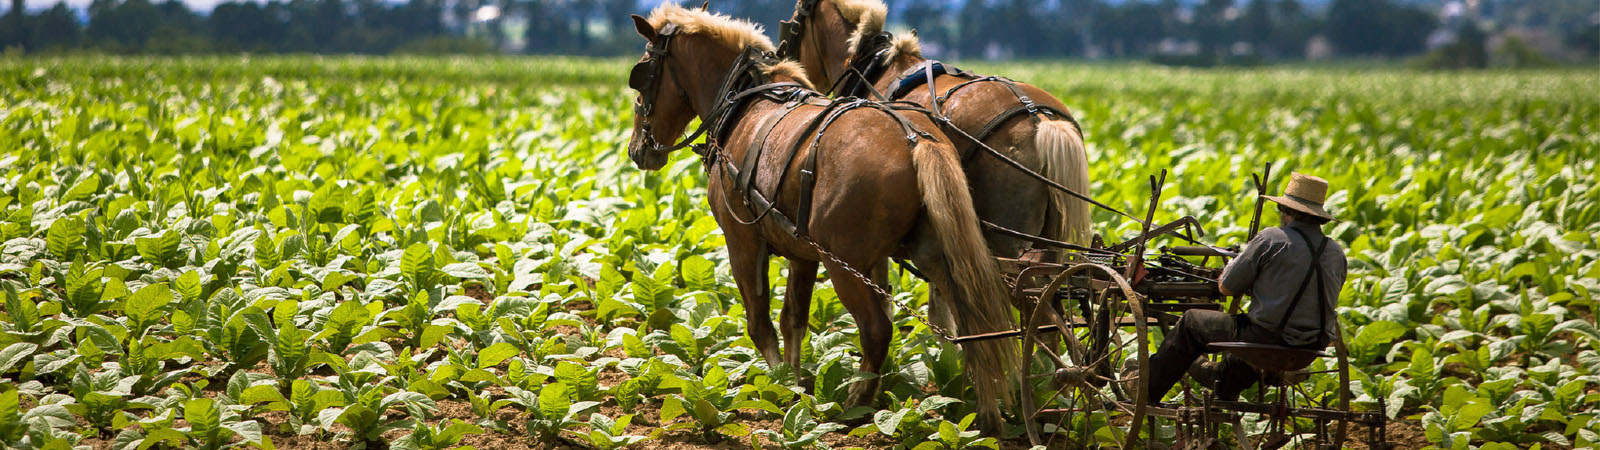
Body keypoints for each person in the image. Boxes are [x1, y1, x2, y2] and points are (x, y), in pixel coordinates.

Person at [1145, 172, 1348, 402]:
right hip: (1311, 348)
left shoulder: (1271, 239)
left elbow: (1227, 287)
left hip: (1266, 340)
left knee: (1192, 322)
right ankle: (1221, 382)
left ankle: (1147, 391)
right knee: (1253, 336)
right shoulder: (1336, 253)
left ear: (1287, 212)